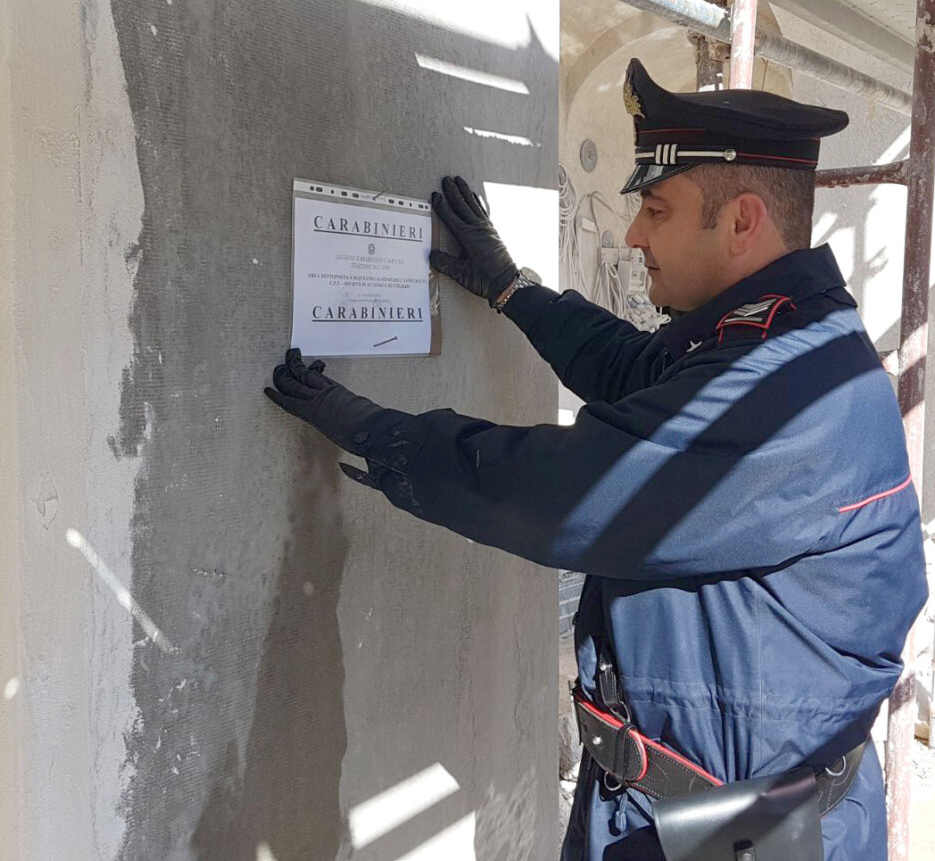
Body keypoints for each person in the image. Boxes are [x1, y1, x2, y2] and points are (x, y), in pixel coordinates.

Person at [265, 59, 927, 860]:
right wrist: (515, 292)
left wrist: (383, 433)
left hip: (748, 831)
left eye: (656, 208)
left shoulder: (794, 395)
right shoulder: (781, 338)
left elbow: (572, 493)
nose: (633, 234)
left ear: (742, 222)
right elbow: (639, 370)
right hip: (700, 807)